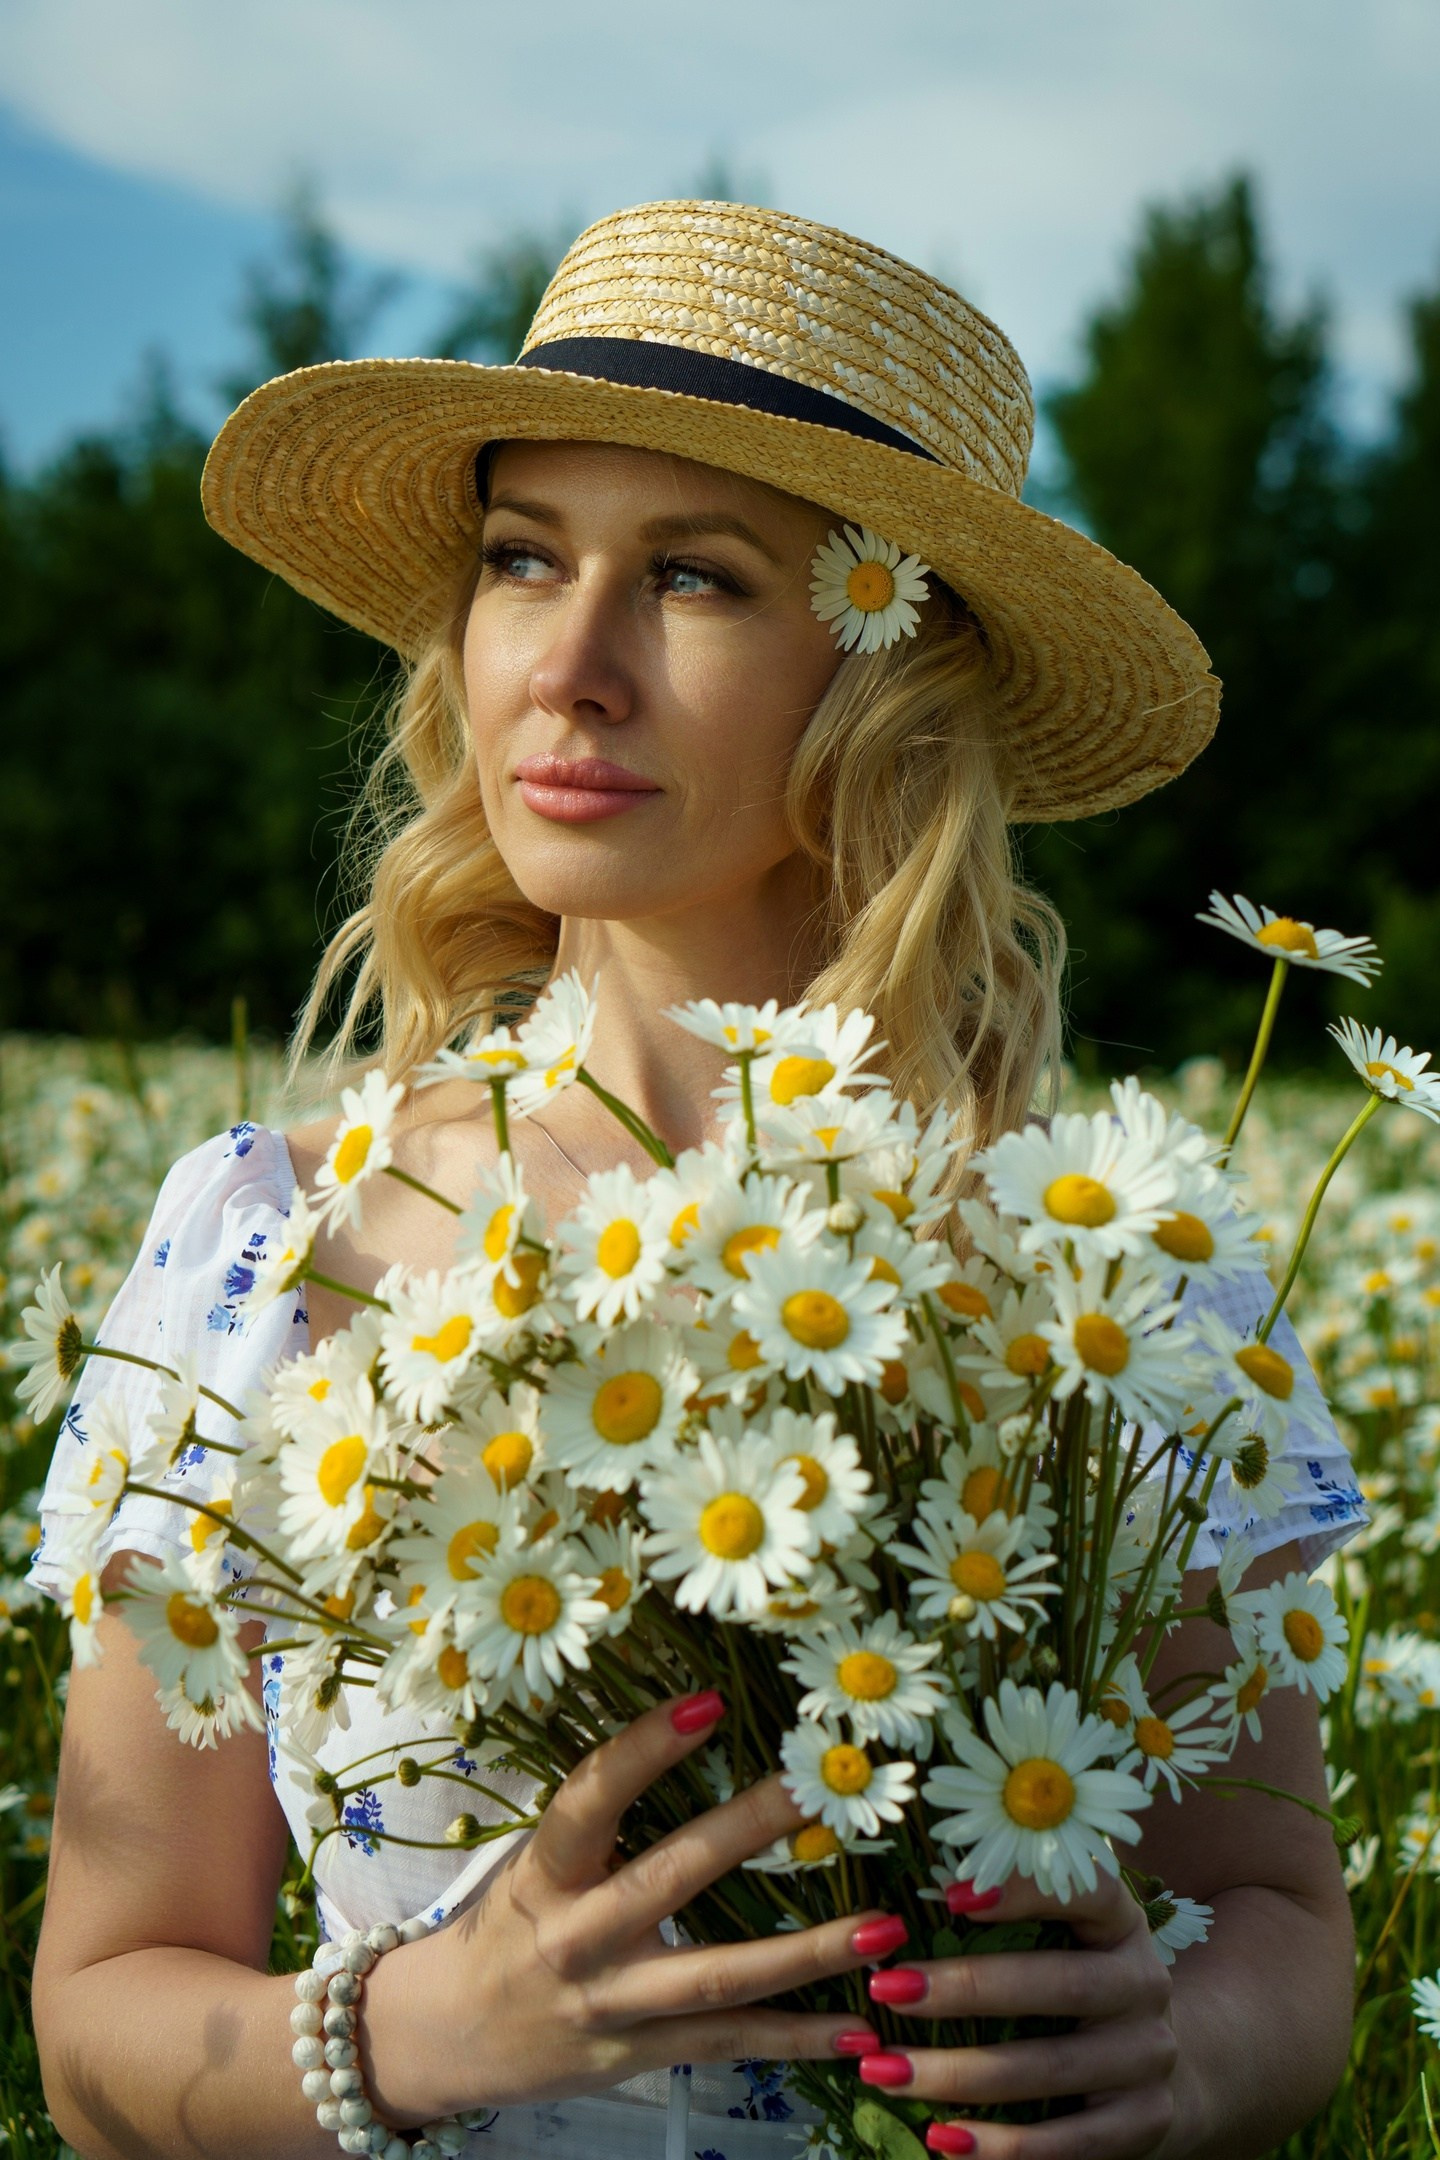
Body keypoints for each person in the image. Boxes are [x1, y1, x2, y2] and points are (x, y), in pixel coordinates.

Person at [26, 200, 1364, 2160]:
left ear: (887, 660)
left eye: (699, 579)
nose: (567, 667)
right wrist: (413, 2035)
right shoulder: (258, 1246)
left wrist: (1172, 2058)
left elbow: (1283, 1922)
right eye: (519, 559)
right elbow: (95, 2017)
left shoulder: (1109, 1267)